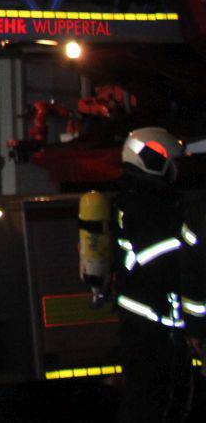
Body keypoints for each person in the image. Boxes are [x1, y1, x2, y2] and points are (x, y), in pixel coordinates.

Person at [111, 127, 191, 423]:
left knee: (151, 400)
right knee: (151, 402)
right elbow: (164, 263)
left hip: (142, 318)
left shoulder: (134, 195)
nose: (175, 171)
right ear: (153, 159)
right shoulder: (149, 203)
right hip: (151, 322)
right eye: (171, 163)